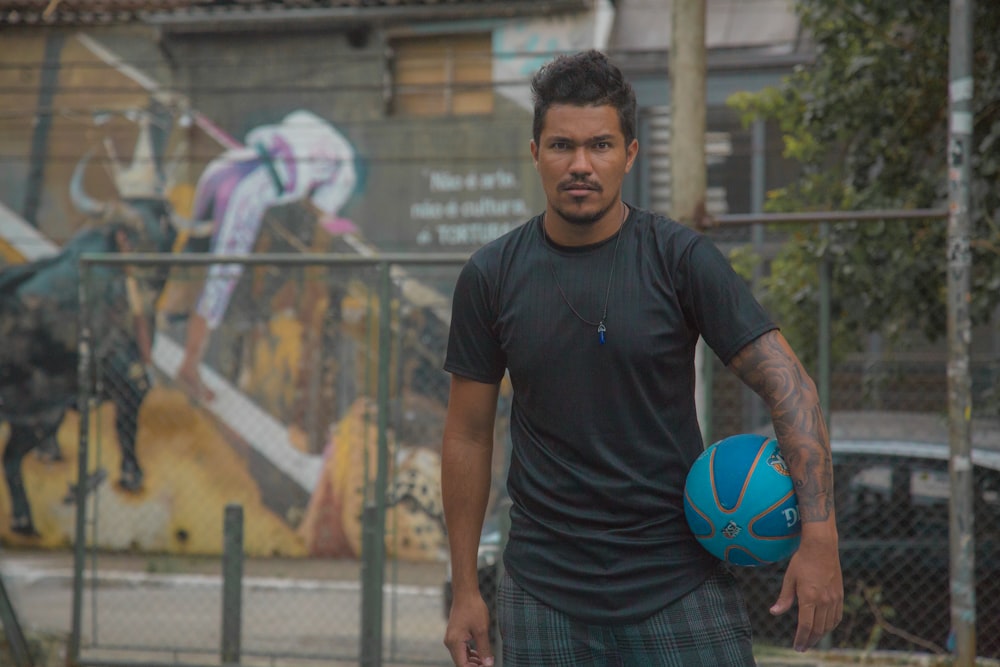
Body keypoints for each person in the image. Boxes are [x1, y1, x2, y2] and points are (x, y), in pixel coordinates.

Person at [440, 50, 843, 667]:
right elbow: (467, 434)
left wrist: (818, 536)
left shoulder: (680, 260)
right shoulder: (490, 276)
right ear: (534, 153)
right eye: (560, 146)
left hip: (678, 583)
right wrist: (466, 589)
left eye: (600, 145)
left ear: (630, 154)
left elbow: (791, 386)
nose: (580, 165)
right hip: (543, 592)